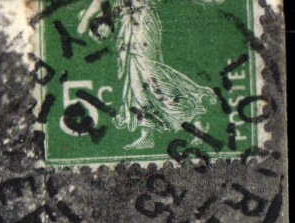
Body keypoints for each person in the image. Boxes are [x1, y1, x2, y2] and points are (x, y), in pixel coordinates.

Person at [78, 0, 215, 148]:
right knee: (135, 81)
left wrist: (88, 19)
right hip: (129, 24)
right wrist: (98, 23)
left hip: (143, 21)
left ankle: (197, 122)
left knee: (152, 77)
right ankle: (147, 134)